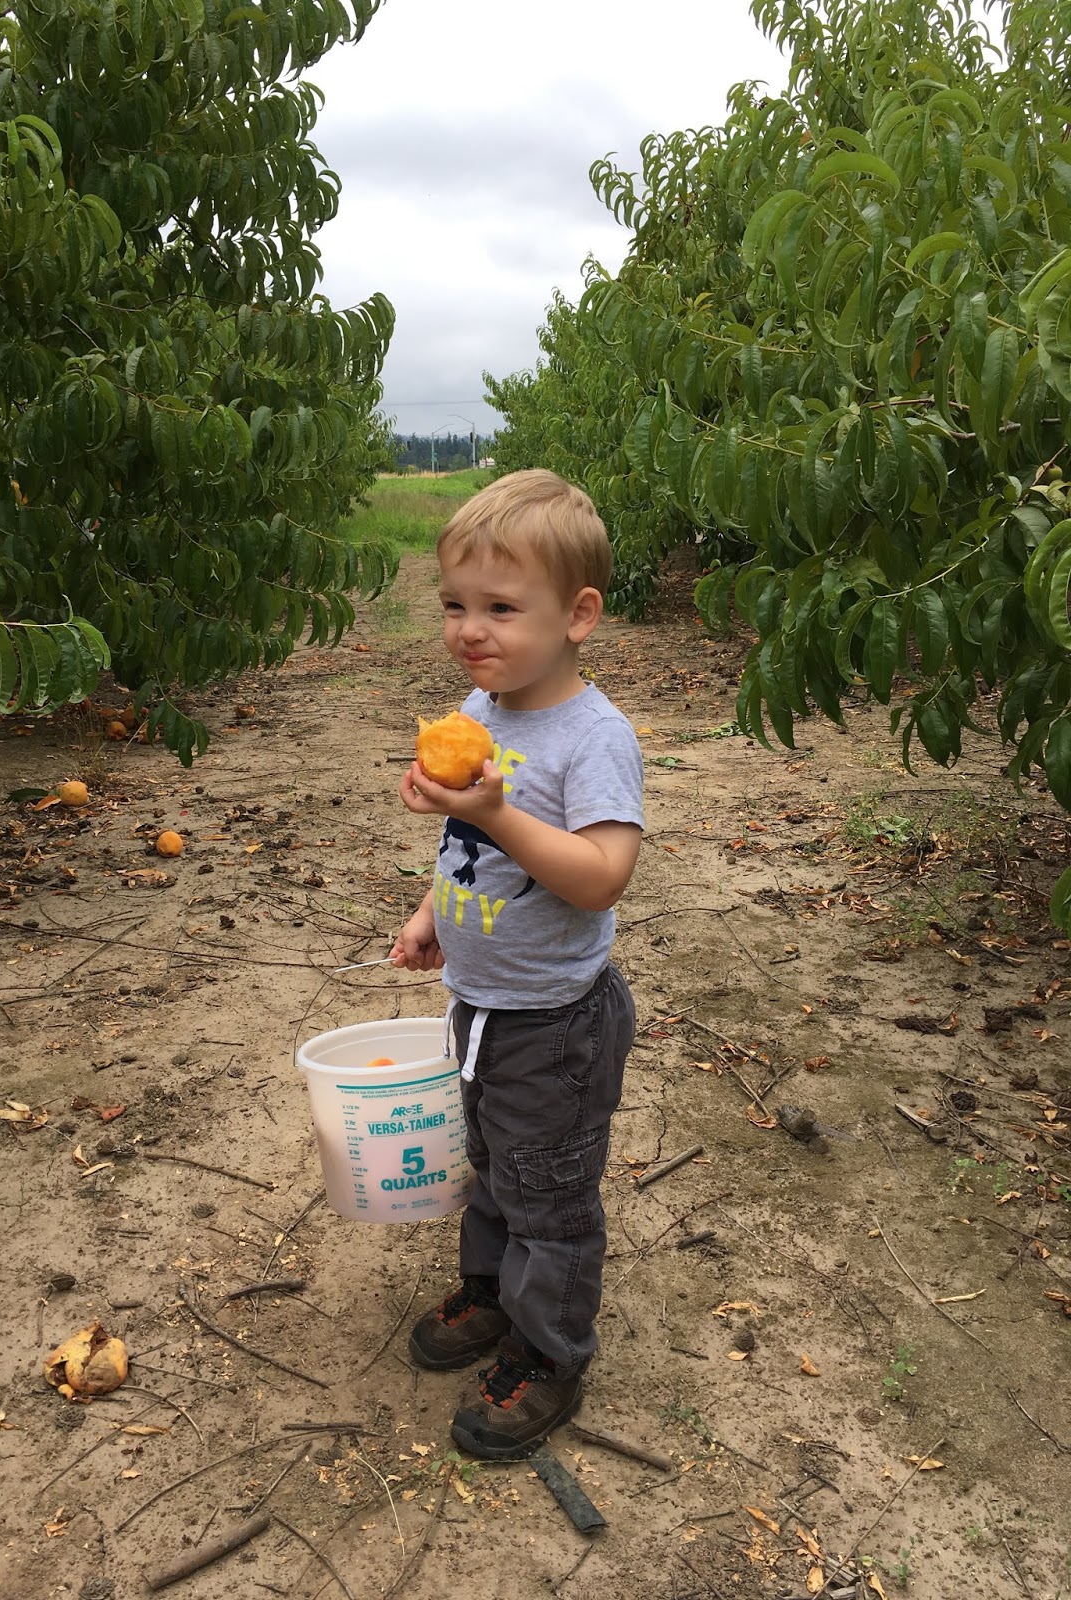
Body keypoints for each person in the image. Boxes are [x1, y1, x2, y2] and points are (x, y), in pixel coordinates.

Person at [389, 468, 644, 1459]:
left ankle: (549, 1352)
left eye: (500, 608)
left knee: (550, 1191)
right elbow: (465, 848)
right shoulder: (481, 707)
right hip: (483, 1003)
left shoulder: (593, 738)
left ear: (578, 615)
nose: (470, 629)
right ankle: (494, 1291)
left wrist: (498, 811)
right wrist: (433, 915)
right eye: (455, 604)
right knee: (494, 1164)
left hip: (555, 1020)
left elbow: (602, 876)